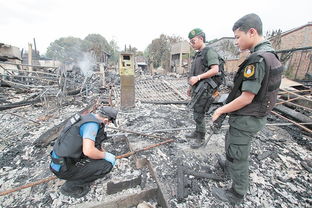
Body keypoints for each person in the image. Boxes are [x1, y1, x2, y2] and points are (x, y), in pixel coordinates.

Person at [211, 13, 283, 205]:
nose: (235, 42)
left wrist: (221, 110)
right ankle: (229, 166)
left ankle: (236, 193)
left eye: (237, 37)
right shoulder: (271, 55)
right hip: (254, 115)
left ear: (251, 32)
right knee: (233, 143)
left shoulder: (257, 59)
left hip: (247, 117)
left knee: (238, 154)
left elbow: (246, 97)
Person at [49, 106, 118, 198]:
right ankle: (69, 187)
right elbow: (89, 151)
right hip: (63, 168)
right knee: (106, 166)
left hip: (59, 162)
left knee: (99, 158)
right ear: (106, 120)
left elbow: (96, 145)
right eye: (109, 123)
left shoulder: (86, 117)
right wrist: (105, 155)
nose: (108, 124)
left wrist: (103, 153)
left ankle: (76, 173)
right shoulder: (91, 126)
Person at [186, 28, 221, 149]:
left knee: (199, 114)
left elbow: (215, 69)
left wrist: (198, 78)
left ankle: (201, 138)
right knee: (196, 111)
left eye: (193, 41)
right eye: (190, 42)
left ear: (201, 39)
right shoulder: (198, 55)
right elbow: (194, 73)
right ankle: (197, 132)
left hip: (205, 89)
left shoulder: (209, 52)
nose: (192, 44)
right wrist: (191, 86)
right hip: (197, 88)